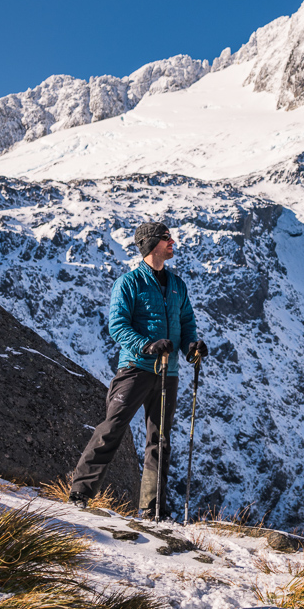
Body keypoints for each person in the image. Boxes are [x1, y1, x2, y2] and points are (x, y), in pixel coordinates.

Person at [69, 221, 208, 518]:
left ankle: (152, 509)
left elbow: (186, 325)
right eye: (166, 238)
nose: (172, 242)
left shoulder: (177, 285)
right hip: (136, 368)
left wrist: (191, 348)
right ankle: (80, 492)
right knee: (113, 427)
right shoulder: (129, 283)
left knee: (160, 440)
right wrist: (147, 345)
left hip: (167, 373)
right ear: (150, 245)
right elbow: (117, 326)